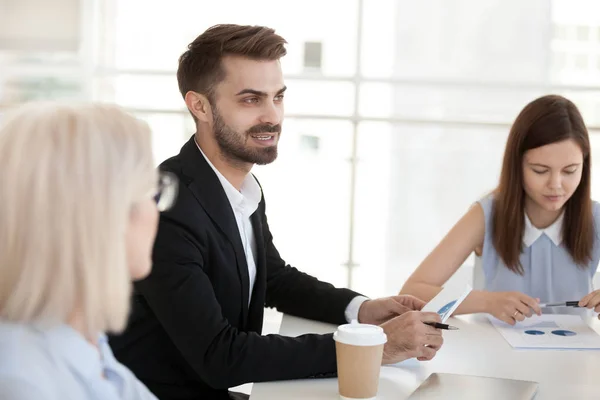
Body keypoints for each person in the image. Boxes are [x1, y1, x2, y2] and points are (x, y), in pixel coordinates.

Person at [109, 24, 443, 400]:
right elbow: (219, 356)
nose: (272, 116)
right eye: (251, 100)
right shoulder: (167, 207)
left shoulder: (237, 185)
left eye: (277, 97)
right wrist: (372, 348)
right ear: (199, 105)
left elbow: (273, 276)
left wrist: (362, 310)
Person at [0, 102, 178, 399]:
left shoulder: (85, 337)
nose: (156, 209)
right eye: (150, 189)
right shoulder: (23, 384)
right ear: (103, 215)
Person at [400, 94, 600, 325]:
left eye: (570, 170)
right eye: (540, 170)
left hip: (575, 360)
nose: (555, 184)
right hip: (495, 356)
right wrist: (486, 301)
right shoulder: (487, 214)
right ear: (517, 165)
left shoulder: (594, 217)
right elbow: (412, 291)